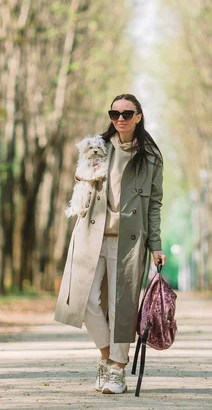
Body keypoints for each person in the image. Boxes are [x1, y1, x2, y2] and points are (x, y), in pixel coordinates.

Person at [54, 93, 166, 394]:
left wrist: (156, 244)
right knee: (85, 299)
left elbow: (154, 204)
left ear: (138, 117)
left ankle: (117, 369)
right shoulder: (99, 146)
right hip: (91, 234)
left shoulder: (151, 156)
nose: (120, 118)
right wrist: (80, 175)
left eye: (127, 114)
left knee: (122, 306)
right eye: (114, 113)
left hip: (129, 242)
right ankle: (106, 357)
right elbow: (81, 176)